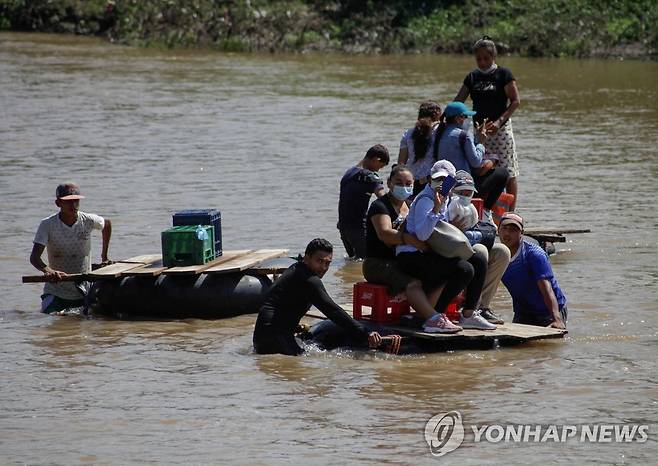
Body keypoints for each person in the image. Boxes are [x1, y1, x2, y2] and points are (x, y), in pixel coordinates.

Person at [396, 160, 495, 331]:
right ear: (430, 179)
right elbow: (422, 235)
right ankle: (434, 316)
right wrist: (435, 209)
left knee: (478, 259)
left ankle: (469, 314)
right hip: (412, 255)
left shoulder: (446, 197)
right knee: (465, 269)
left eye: (446, 181)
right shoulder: (426, 199)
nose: (441, 184)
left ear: (451, 183)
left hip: (431, 251)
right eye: (437, 180)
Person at [363, 164, 455, 333]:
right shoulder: (380, 206)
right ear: (389, 183)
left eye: (408, 183)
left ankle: (422, 316)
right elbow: (385, 234)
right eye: (399, 182)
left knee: (444, 271)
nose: (404, 187)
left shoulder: (410, 204)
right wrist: (409, 240)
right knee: (413, 283)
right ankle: (433, 318)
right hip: (378, 263)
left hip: (403, 260)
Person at [253, 238, 385, 356]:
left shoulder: (296, 269)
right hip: (274, 340)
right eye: (319, 261)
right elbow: (332, 310)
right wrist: (365, 332)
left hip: (263, 338)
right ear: (307, 258)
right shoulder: (309, 280)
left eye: (327, 263)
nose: (323, 267)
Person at [454, 36, 521, 210]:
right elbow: (459, 101)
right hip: (480, 131)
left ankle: (510, 214)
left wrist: (499, 122)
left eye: (486, 58)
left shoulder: (503, 74)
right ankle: (486, 211)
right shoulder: (472, 77)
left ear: (493, 57)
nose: (482, 62)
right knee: (481, 170)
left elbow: (515, 101)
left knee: (509, 172)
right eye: (479, 59)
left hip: (501, 130)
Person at [30, 183, 112, 314]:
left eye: (76, 201)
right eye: (68, 201)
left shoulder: (88, 220)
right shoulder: (48, 225)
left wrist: (104, 256)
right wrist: (48, 270)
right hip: (57, 290)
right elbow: (34, 257)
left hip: (83, 290)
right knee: (50, 319)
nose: (73, 205)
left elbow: (107, 224)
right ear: (58, 203)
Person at [444, 171, 509, 324]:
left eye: (469, 192)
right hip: (451, 248)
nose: (465, 195)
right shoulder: (445, 203)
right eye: (462, 191)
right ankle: (470, 308)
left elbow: (489, 228)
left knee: (502, 252)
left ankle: (482, 307)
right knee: (481, 250)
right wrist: (452, 228)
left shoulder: (475, 207)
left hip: (470, 244)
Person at [436, 101, 509, 226]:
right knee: (503, 173)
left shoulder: (438, 133)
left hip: (445, 185)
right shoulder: (463, 135)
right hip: (462, 185)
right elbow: (475, 162)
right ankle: (486, 211)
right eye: (465, 117)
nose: (468, 120)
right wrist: (481, 142)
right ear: (458, 119)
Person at [498, 213, 567, 328]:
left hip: (548, 311)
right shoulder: (496, 256)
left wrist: (556, 319)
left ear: (522, 233)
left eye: (513, 230)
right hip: (523, 312)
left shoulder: (534, 254)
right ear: (498, 230)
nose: (507, 233)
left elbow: (547, 288)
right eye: (504, 228)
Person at [337, 144, 389, 259]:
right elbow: (384, 198)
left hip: (343, 228)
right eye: (380, 166)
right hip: (359, 229)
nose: (378, 170)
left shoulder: (348, 173)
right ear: (376, 160)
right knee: (366, 263)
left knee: (353, 261)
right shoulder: (369, 177)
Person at [397, 101, 442, 196]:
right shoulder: (440, 133)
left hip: (412, 181)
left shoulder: (408, 134)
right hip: (431, 180)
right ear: (438, 116)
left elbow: (401, 164)